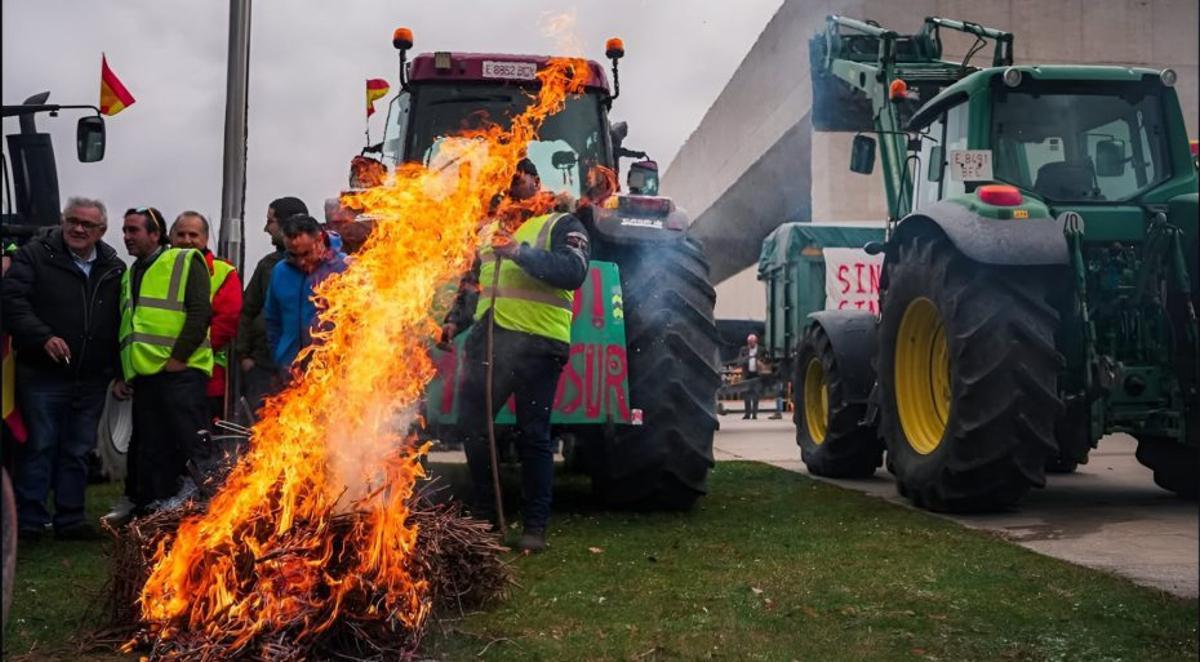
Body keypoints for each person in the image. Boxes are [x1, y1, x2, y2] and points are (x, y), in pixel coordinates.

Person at [441, 158, 602, 553]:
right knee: (472, 425)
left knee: (534, 434)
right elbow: (473, 286)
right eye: (505, 179)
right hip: (489, 340)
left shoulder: (560, 224)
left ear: (535, 181)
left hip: (538, 344)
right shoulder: (489, 231)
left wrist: (519, 252)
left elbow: (572, 271)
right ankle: (486, 515)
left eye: (518, 178)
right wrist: (453, 323)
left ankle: (535, 526)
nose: (511, 186)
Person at [1, 198, 125, 540]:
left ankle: (71, 520)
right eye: (73, 221)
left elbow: (121, 321)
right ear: (62, 220)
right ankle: (29, 522)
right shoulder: (35, 255)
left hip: (90, 376)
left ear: (101, 231)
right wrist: (44, 337)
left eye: (87, 225)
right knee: (40, 446)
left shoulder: (113, 268)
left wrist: (118, 370)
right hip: (42, 374)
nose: (78, 229)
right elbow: (12, 301)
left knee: (78, 448)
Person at [112, 207, 212, 520]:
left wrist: (178, 358)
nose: (127, 237)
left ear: (156, 234)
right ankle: (152, 505)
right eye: (125, 230)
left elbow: (200, 313)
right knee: (149, 446)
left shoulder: (184, 260)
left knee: (187, 441)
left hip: (180, 373)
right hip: (146, 375)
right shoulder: (130, 273)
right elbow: (128, 327)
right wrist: (123, 372)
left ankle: (204, 503)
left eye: (134, 231)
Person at [170, 211, 243, 420]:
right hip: (161, 369)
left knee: (201, 441)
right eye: (181, 235)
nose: (186, 241)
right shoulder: (159, 268)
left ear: (205, 238)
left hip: (206, 374)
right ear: (172, 237)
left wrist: (185, 354)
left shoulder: (223, 271)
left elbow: (226, 322)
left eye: (193, 235)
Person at [237, 196, 307, 414]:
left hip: (305, 370)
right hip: (264, 367)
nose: (266, 229)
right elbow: (247, 311)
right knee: (261, 431)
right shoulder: (268, 265)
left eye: (270, 222)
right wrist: (244, 356)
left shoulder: (323, 264)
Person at [264, 214, 348, 375]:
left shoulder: (343, 268)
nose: (301, 261)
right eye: (293, 255)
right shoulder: (280, 271)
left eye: (306, 253)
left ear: (320, 239)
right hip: (290, 370)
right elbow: (272, 320)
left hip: (331, 373)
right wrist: (279, 355)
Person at [738, 334, 762, 420]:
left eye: (752, 343)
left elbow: (766, 359)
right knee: (747, 394)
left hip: (757, 374)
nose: (750, 344)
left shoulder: (761, 350)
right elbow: (739, 362)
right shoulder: (744, 349)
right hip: (747, 374)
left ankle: (755, 414)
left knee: (756, 395)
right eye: (749, 343)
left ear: (756, 342)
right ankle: (747, 413)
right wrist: (748, 357)